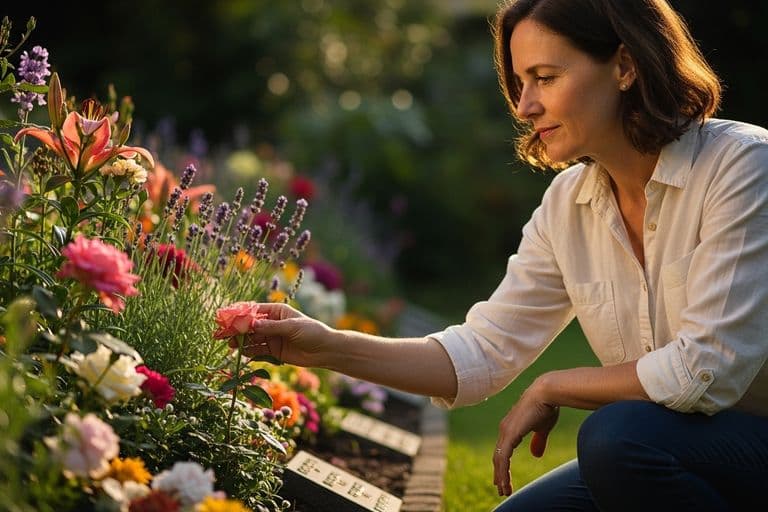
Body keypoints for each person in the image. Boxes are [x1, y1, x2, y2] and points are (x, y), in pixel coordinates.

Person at [239, 0, 768, 509]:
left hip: (740, 445)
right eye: (520, 83)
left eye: (546, 77)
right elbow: (482, 353)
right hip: (666, 449)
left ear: (625, 66)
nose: (524, 105)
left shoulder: (742, 168)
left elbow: (707, 369)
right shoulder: (568, 206)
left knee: (616, 436)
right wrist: (328, 348)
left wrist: (555, 384)